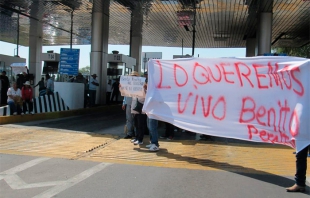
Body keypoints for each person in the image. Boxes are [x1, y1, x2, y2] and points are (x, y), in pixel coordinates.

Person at [123, 71, 139, 139]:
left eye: (134, 76)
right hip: (129, 103)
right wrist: (124, 103)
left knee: (136, 120)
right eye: (132, 76)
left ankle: (136, 133)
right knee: (129, 119)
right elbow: (125, 95)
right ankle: (130, 133)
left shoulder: (139, 84)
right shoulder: (127, 84)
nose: (133, 77)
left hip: (136, 104)